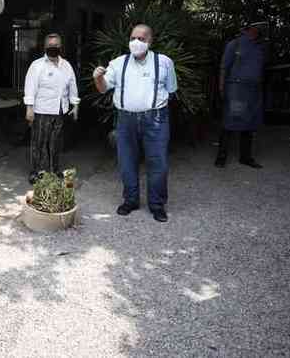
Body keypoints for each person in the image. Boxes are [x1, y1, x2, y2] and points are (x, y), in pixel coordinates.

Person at [93, 24, 178, 221]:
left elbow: (171, 89)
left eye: (141, 38)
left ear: (150, 41)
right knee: (127, 162)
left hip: (156, 118)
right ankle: (130, 200)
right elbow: (103, 88)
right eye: (132, 38)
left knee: (158, 163)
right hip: (126, 119)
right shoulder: (118, 63)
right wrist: (97, 78)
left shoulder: (164, 62)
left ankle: (157, 204)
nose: (135, 42)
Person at [23, 33, 79, 184]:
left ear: (61, 47)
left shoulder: (66, 65)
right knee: (38, 143)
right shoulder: (37, 65)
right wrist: (29, 108)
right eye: (50, 46)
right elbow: (30, 87)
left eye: (56, 46)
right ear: (45, 47)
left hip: (60, 111)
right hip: (41, 111)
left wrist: (75, 105)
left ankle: (54, 170)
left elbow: (72, 86)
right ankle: (36, 172)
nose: (53, 48)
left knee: (55, 143)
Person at [215, 21, 268, 169]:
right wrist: (221, 87)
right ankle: (221, 157)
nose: (262, 29)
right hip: (236, 89)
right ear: (250, 27)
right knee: (230, 123)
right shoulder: (235, 44)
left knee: (250, 124)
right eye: (259, 26)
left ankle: (246, 157)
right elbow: (224, 67)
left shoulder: (261, 46)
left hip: (254, 90)